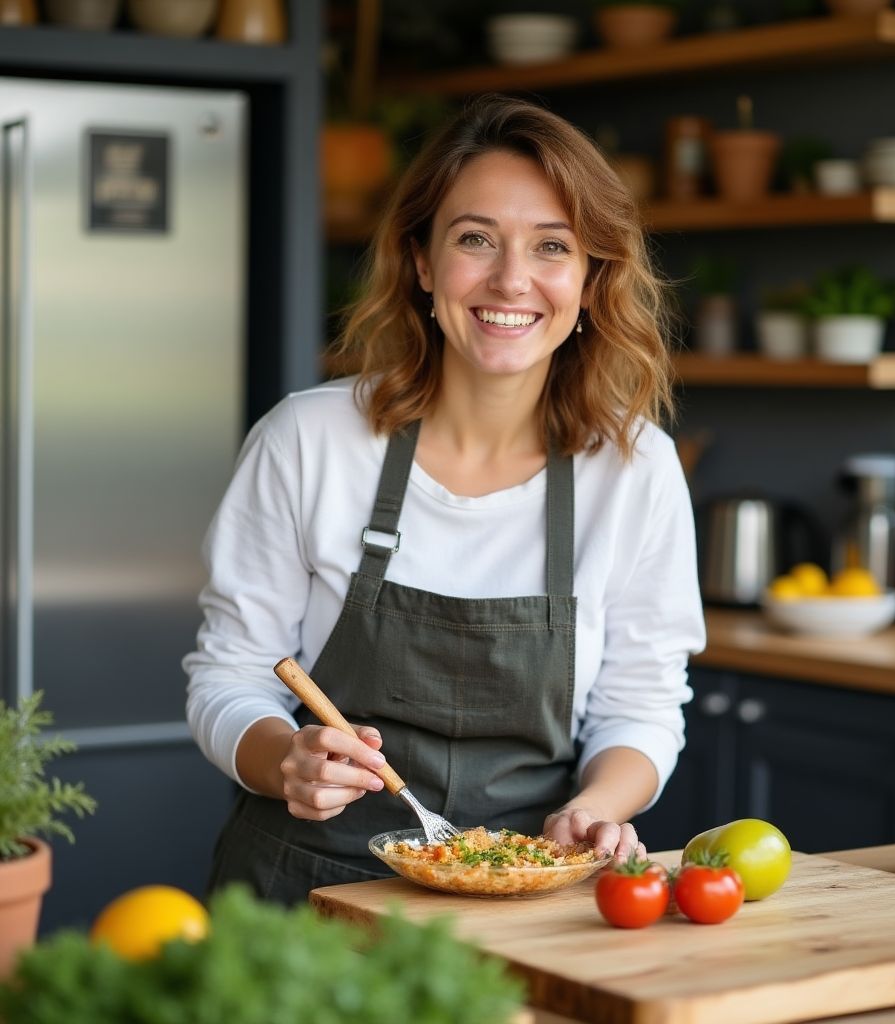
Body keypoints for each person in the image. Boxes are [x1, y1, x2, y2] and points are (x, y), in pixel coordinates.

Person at [184, 94, 705, 905]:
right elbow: (230, 676)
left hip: (529, 894)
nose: (511, 279)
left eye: (552, 246)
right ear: (423, 263)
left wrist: (596, 808)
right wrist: (284, 759)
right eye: (475, 239)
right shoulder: (309, 440)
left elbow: (642, 707)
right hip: (303, 897)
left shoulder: (635, 470)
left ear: (591, 278)